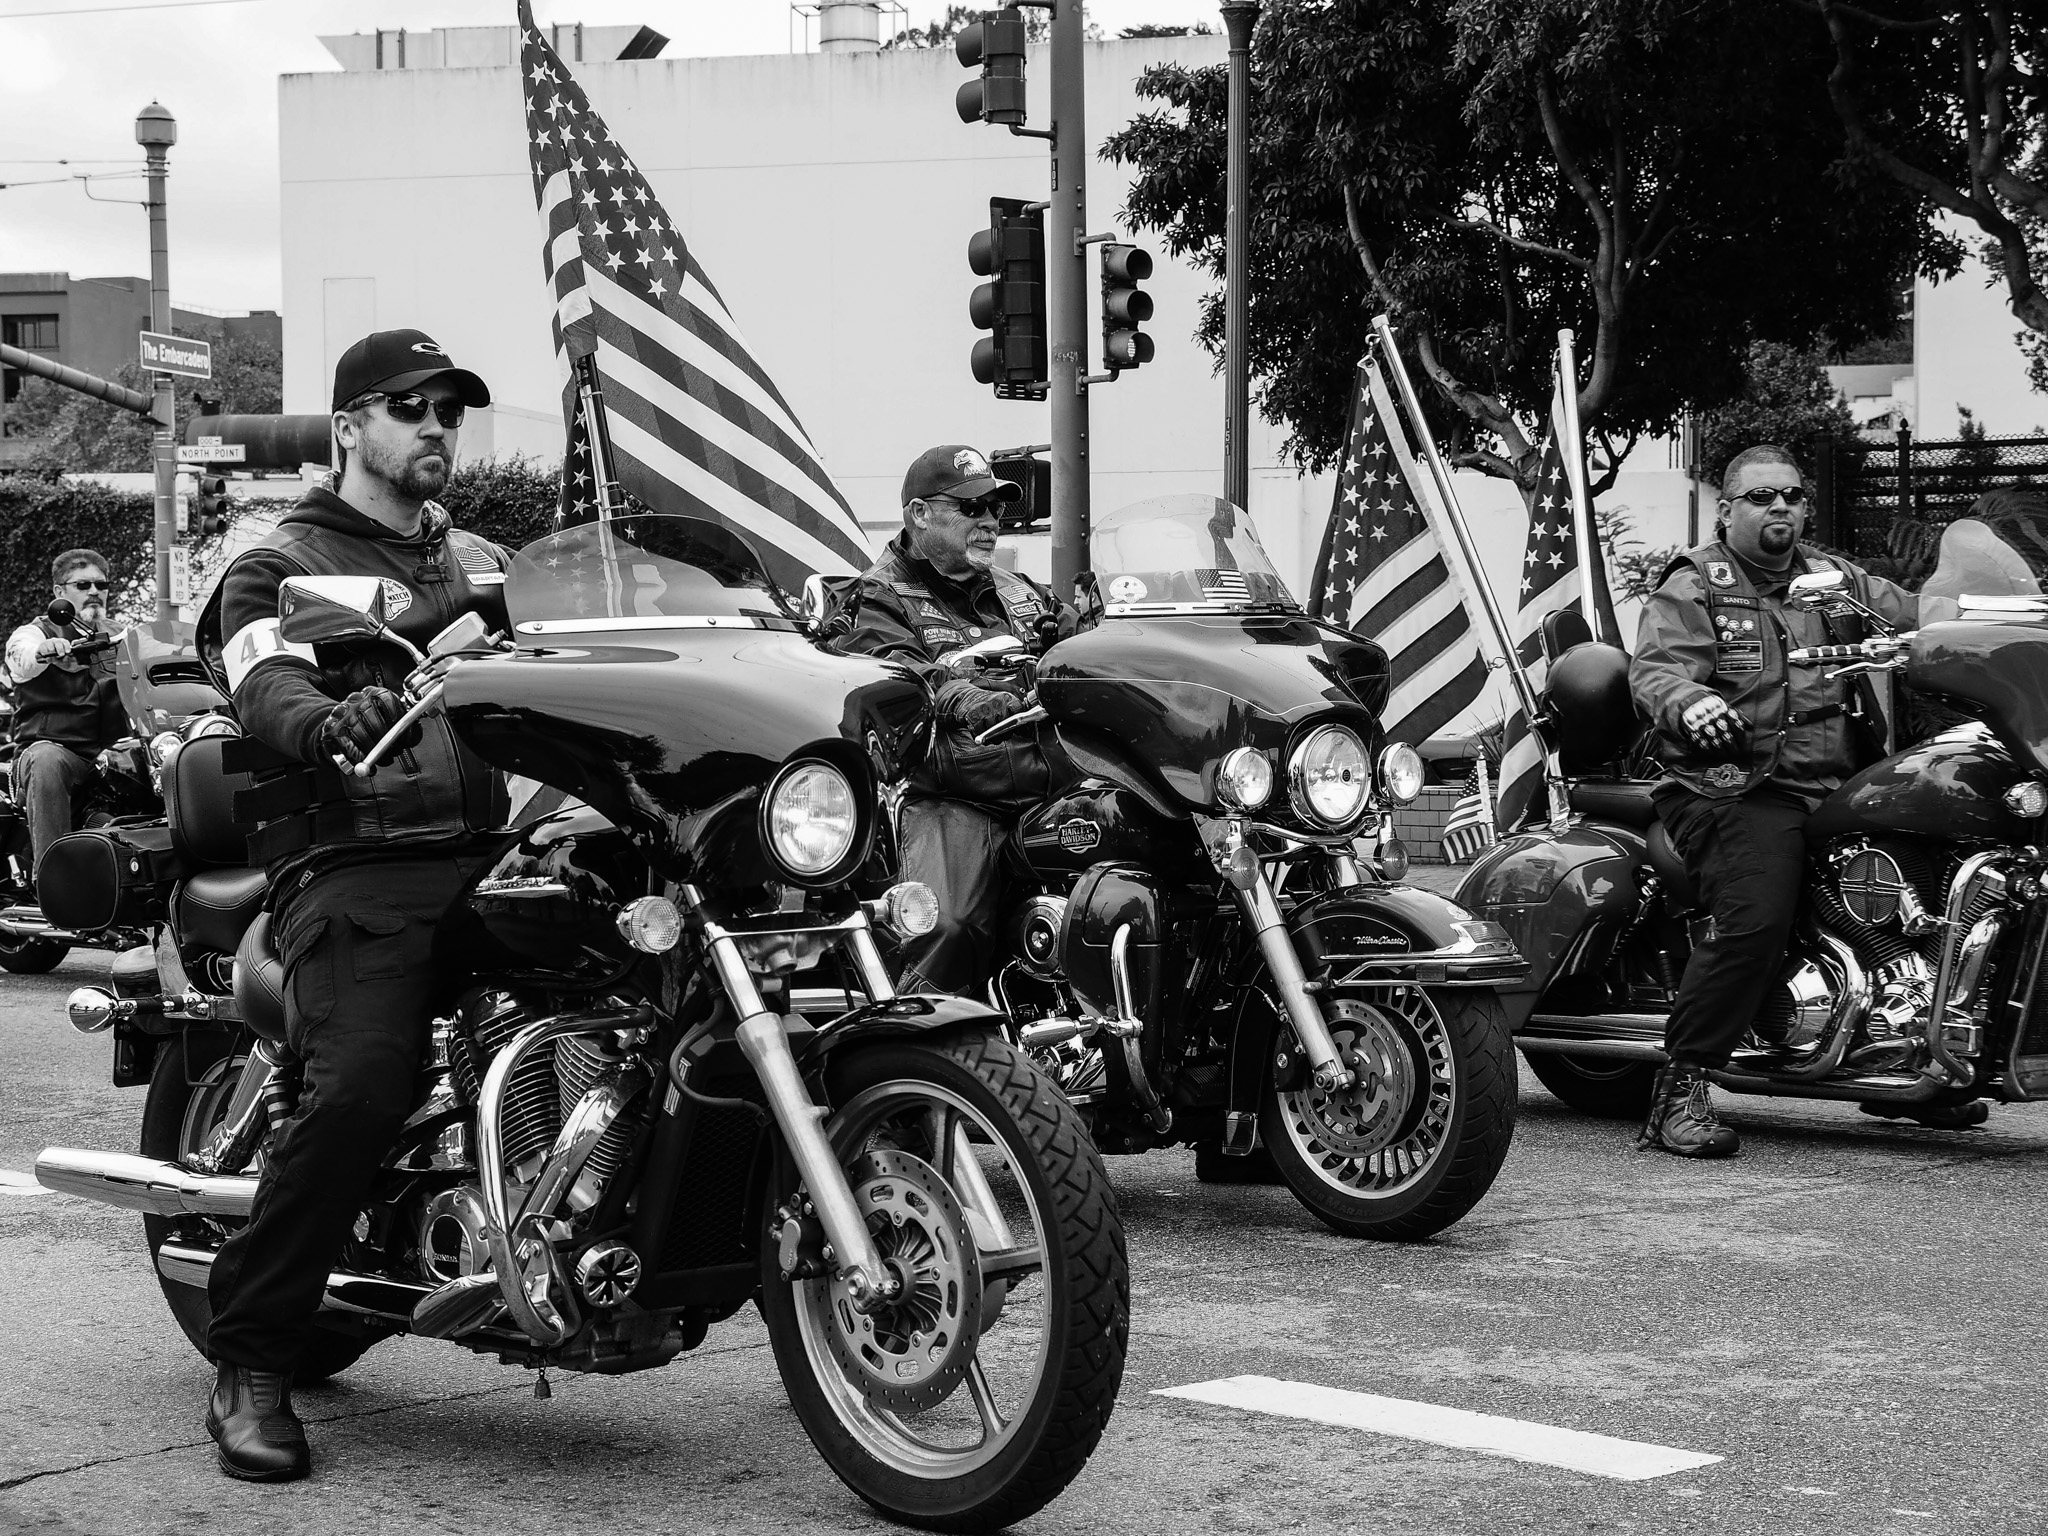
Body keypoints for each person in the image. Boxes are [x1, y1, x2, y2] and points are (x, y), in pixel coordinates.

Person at [192, 329, 505, 1481]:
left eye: (448, 411)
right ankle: (255, 1361)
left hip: (493, 846)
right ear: (349, 428)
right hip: (358, 862)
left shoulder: (478, 559)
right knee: (367, 1081)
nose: (434, 426)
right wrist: (313, 718)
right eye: (408, 406)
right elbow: (261, 668)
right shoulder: (281, 559)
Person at [1630, 443, 1925, 1157]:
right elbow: (1657, 670)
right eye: (1763, 497)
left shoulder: (1834, 580)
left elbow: (1918, 614)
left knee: (1931, 888)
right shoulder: (1696, 583)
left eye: (1792, 495)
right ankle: (1681, 1088)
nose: (1782, 507)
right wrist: (1690, 703)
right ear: (1727, 509)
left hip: (1838, 787)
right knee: (1756, 917)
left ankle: (1921, 1062)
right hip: (1733, 785)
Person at [834, 444, 1073, 995]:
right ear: (920, 514)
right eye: (972, 509)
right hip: (955, 791)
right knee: (947, 926)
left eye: (995, 508)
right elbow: (891, 670)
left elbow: (1088, 641)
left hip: (1054, 778)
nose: (991, 522)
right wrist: (958, 695)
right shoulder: (876, 597)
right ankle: (912, 1058)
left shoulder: (1025, 593)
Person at [3, 549, 127, 882]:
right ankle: (57, 884)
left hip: (111, 755)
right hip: (59, 751)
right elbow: (20, 658)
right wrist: (42, 651)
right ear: (60, 593)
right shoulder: (37, 632)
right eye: (83, 584)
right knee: (46, 760)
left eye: (101, 584)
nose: (94, 591)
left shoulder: (122, 634)